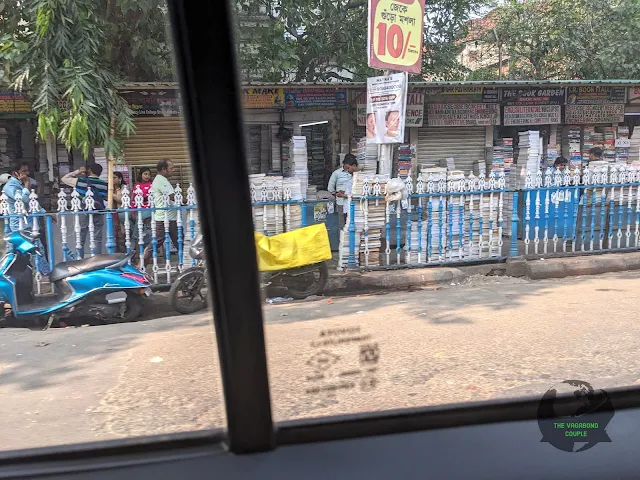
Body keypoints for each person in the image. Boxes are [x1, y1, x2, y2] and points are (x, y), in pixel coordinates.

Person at [61, 163, 109, 256]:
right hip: (98, 211)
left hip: (83, 211)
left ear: (89, 170)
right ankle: (96, 259)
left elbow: (64, 179)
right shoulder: (105, 184)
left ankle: (79, 259)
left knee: (80, 237)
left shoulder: (80, 181)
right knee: (97, 238)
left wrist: (78, 171)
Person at [143, 159, 183, 265]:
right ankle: (140, 266)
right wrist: (186, 201)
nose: (173, 170)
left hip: (169, 218)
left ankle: (187, 265)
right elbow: (172, 197)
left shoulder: (161, 179)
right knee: (156, 243)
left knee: (180, 242)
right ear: (164, 169)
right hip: (165, 218)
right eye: (171, 168)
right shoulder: (161, 180)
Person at [328, 154, 358, 230]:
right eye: (346, 167)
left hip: (356, 203)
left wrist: (344, 194)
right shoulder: (336, 173)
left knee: (355, 224)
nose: (347, 169)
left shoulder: (357, 174)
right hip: (341, 203)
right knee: (343, 225)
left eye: (348, 167)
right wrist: (338, 195)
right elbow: (330, 188)